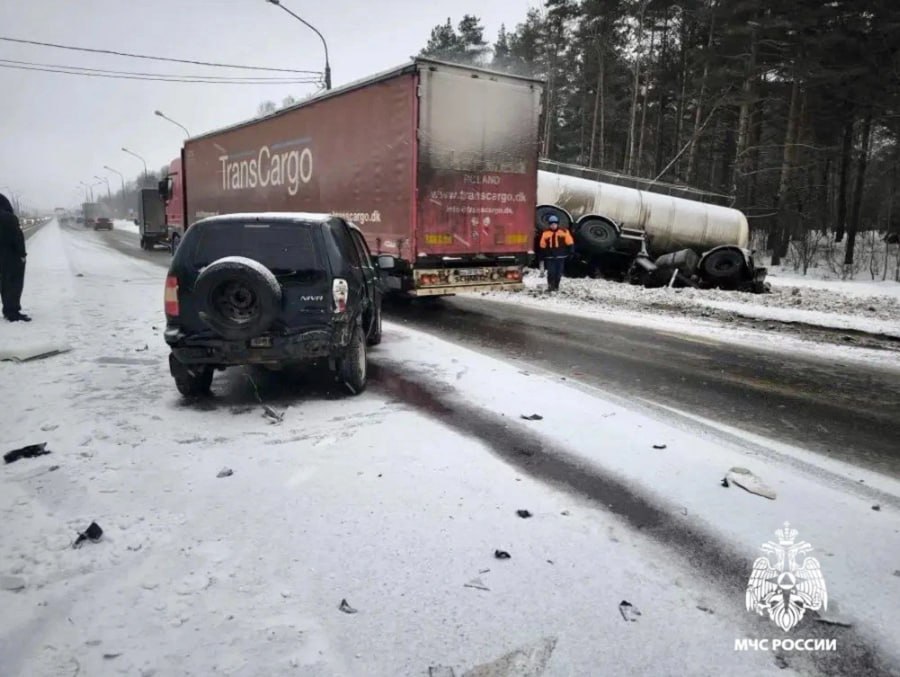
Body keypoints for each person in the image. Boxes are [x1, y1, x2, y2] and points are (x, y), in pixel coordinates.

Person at [0, 193, 30, 322]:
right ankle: (12, 312)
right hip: (11, 257)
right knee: (13, 285)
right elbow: (17, 238)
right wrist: (22, 255)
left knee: (4, 283)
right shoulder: (9, 218)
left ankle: (8, 310)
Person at [539, 215, 574, 292]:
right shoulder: (545, 233)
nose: (553, 226)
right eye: (551, 224)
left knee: (558, 273)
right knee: (551, 272)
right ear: (549, 225)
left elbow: (570, 242)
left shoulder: (564, 231)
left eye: (555, 224)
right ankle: (550, 287)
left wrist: (571, 252)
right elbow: (542, 245)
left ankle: (556, 286)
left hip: (561, 256)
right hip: (550, 256)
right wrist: (541, 255)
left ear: (557, 224)